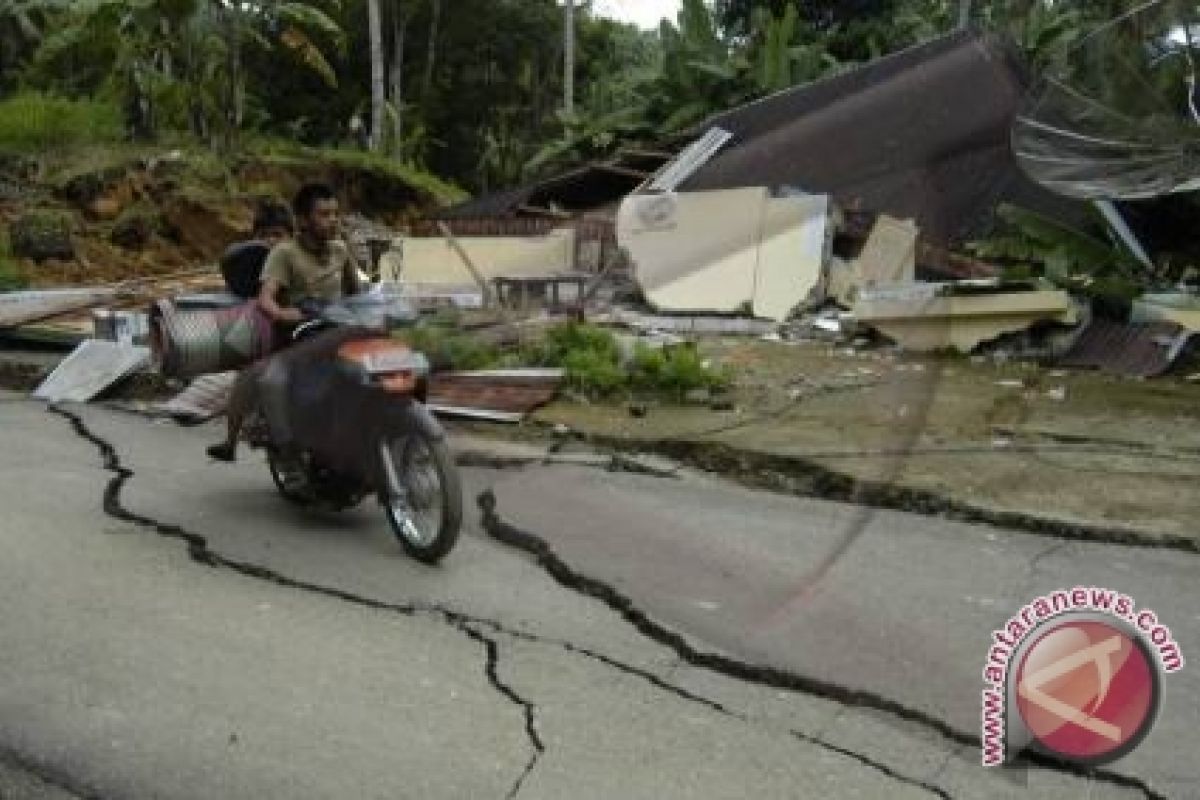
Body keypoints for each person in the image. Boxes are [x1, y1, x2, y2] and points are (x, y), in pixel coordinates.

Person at [206, 183, 365, 463]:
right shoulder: (283, 254)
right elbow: (265, 298)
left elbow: (358, 295)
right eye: (324, 215)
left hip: (336, 329)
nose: (333, 221)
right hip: (299, 334)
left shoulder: (341, 251)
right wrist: (282, 313)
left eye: (335, 214)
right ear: (303, 220)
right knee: (266, 378)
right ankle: (282, 445)